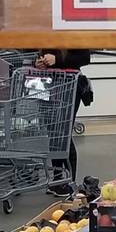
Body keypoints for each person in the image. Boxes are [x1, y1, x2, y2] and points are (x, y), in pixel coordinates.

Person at [36, 50, 93, 180]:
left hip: (70, 84)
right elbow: (35, 51)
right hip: (48, 84)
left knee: (64, 133)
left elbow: (85, 57)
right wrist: (38, 62)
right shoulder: (43, 37)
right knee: (53, 133)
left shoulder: (74, 38)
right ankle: (58, 179)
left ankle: (69, 180)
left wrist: (57, 60)